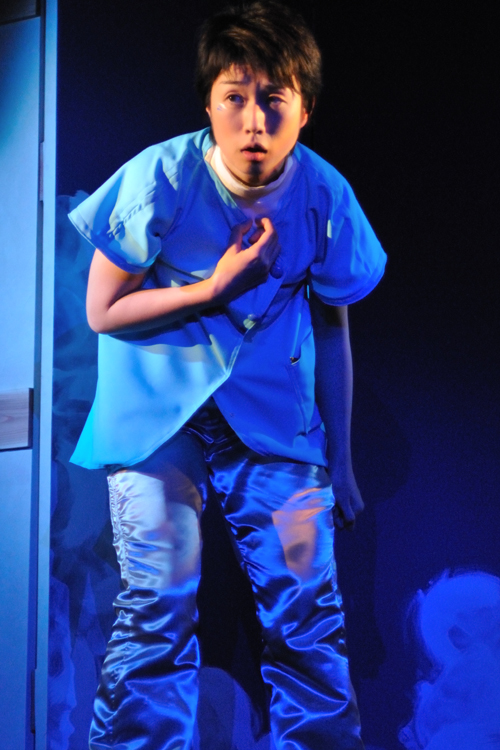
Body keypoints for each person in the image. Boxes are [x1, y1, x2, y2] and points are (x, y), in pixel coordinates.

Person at [68, 2, 386, 748]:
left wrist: (339, 460)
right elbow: (102, 310)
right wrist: (212, 289)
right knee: (158, 600)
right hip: (157, 411)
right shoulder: (161, 177)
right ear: (209, 104)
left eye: (274, 99)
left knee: (307, 605)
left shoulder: (324, 196)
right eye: (234, 97)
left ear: (304, 110)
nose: (253, 122)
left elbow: (333, 329)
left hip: (274, 418)